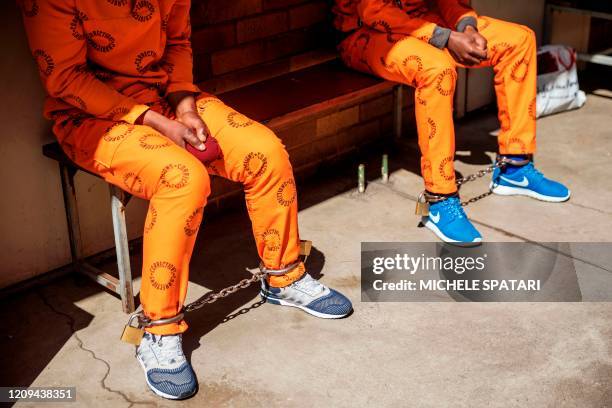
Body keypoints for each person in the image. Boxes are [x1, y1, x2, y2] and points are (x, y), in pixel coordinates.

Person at [20, 0, 352, 400]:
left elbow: (177, 43)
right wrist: (154, 122)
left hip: (167, 100)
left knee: (265, 151)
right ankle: (158, 328)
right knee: (182, 178)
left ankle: (283, 276)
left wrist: (185, 107)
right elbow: (65, 78)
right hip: (91, 118)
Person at [334, 0, 570, 244]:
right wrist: (445, 38)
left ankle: (515, 167)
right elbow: (373, 11)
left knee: (520, 40)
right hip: (365, 33)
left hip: (428, 23)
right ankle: (439, 200)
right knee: (438, 70)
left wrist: (467, 28)